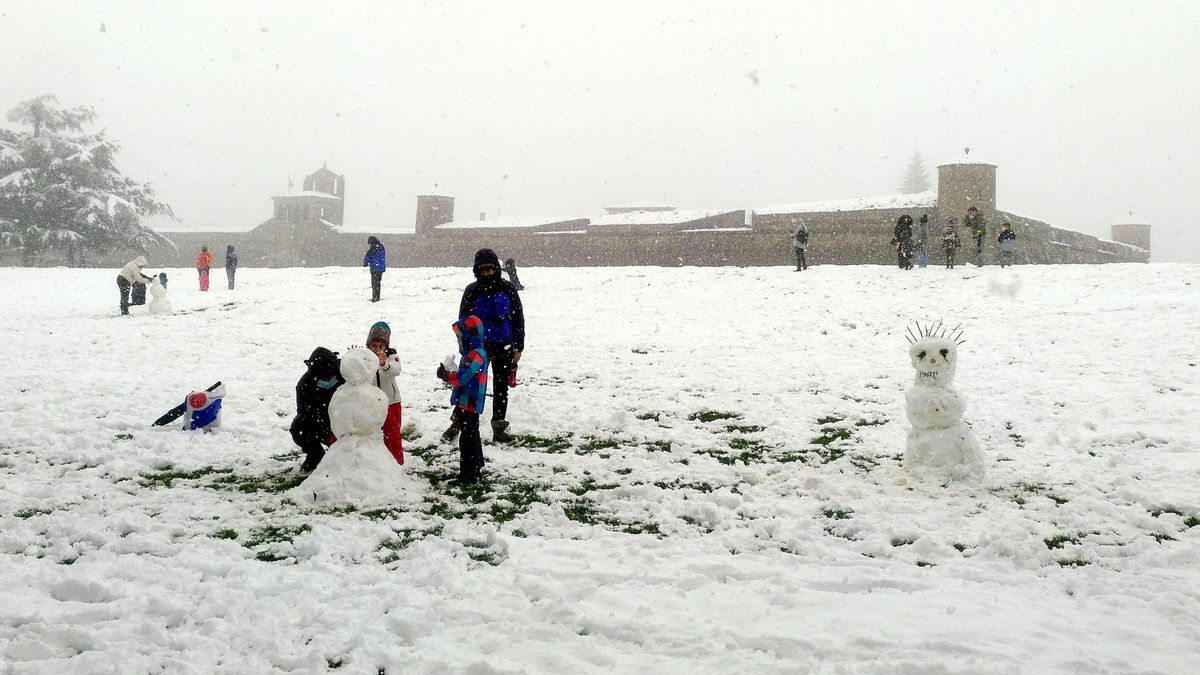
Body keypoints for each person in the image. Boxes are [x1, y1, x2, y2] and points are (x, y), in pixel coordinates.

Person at [455, 248, 525, 443]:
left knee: (501, 387)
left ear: (496, 269)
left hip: (504, 344)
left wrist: (518, 346)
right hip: (479, 347)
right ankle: (458, 421)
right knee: (470, 385)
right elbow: (464, 321)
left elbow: (518, 317)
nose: (487, 274)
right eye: (483, 270)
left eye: (490, 270)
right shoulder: (472, 290)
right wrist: (465, 346)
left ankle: (499, 426)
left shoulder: (507, 288)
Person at [436, 315, 489, 486]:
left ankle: (468, 475)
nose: (459, 341)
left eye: (460, 337)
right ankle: (476, 467)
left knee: (467, 438)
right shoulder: (473, 353)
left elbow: (462, 378)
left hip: (470, 403)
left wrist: (446, 375)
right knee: (472, 435)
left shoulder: (475, 355)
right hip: (467, 402)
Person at [290, 347, 344, 473]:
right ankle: (316, 455)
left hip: (346, 419)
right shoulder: (305, 385)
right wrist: (327, 432)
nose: (327, 381)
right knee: (299, 427)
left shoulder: (345, 373)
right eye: (323, 378)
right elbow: (305, 413)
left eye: (329, 377)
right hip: (320, 422)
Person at [365, 321, 404, 465]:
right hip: (372, 401)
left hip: (391, 402)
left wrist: (384, 364)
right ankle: (376, 463)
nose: (377, 350)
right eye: (373, 346)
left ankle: (396, 462)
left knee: (392, 433)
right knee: (371, 433)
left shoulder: (392, 357)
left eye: (381, 346)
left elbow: (395, 371)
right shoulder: (366, 358)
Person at [363, 236, 386, 302]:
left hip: (375, 268)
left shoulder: (374, 247)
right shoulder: (381, 246)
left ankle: (375, 298)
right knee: (378, 283)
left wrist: (365, 262)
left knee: (374, 283)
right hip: (380, 268)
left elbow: (368, 255)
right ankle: (377, 297)